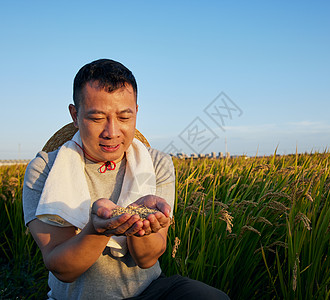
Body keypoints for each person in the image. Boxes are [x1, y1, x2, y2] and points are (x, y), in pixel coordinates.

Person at [23, 59, 230, 300]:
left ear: (136, 112)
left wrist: (141, 225)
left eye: (124, 117)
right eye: (97, 118)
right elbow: (62, 269)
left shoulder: (156, 164)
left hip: (149, 292)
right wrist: (97, 231)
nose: (112, 132)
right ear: (74, 114)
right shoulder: (45, 169)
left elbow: (147, 259)